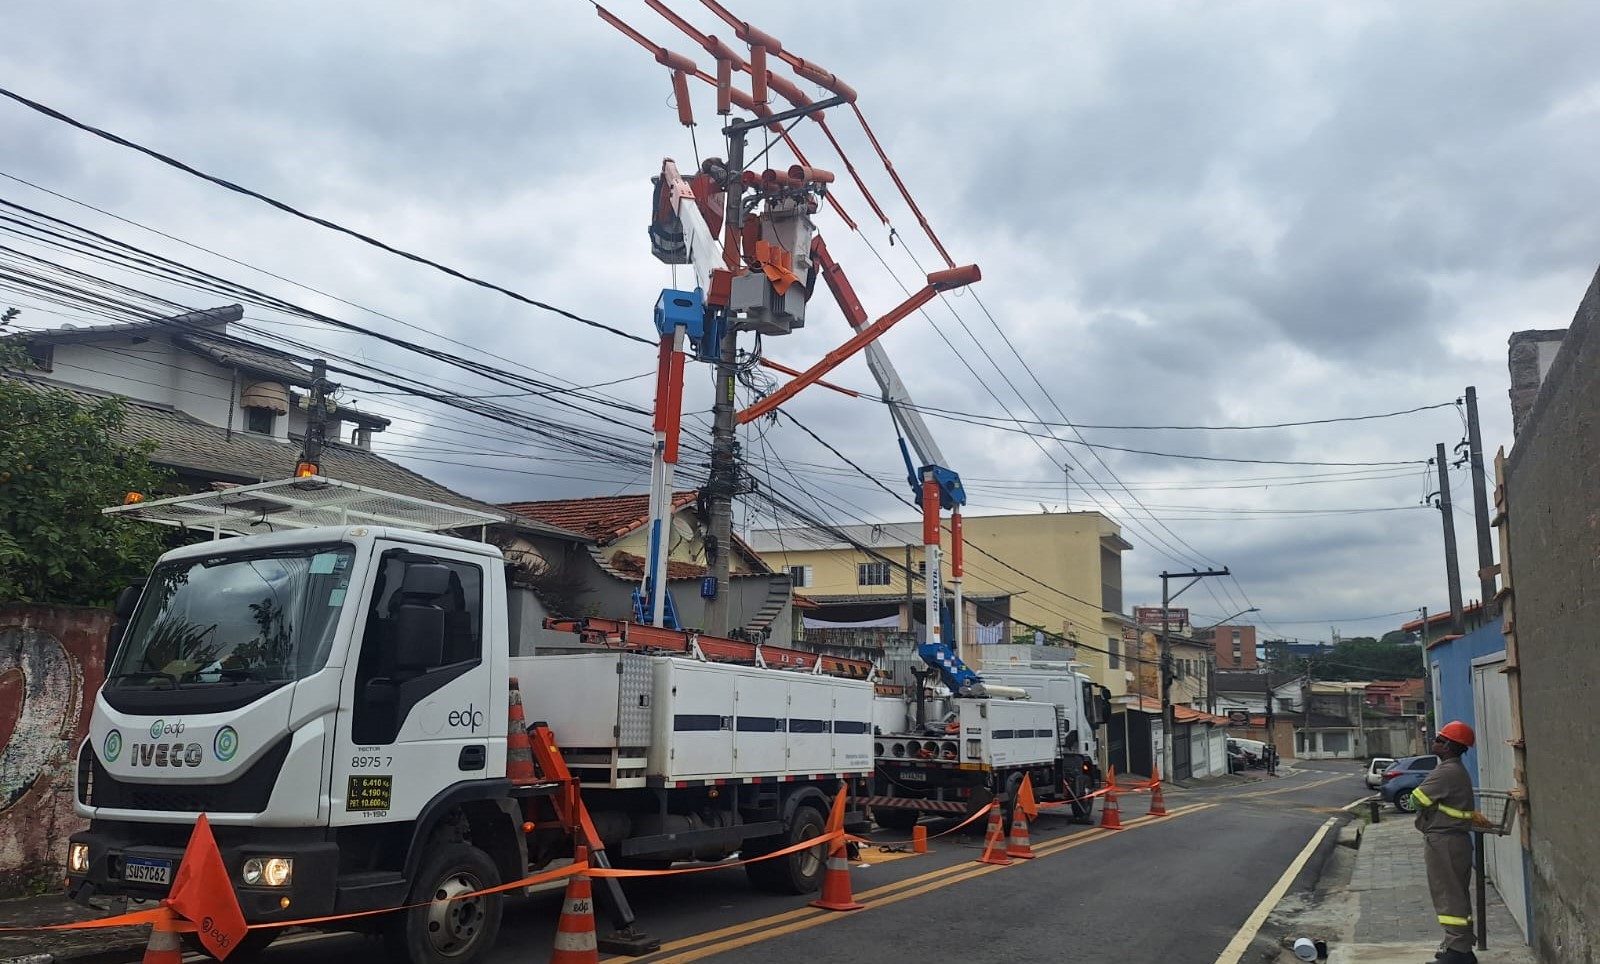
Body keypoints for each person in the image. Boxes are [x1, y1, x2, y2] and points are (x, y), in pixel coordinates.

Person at [1412, 720, 1481, 964]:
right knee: (1456, 894)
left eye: (1440, 740)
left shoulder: (1446, 771)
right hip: (1453, 841)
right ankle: (1460, 946)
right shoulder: (1455, 769)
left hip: (1444, 842)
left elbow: (1416, 799)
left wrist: (1426, 803)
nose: (1434, 742)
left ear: (1449, 746)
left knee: (1447, 895)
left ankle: (1458, 952)